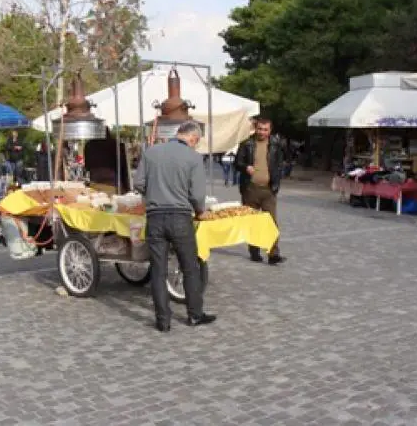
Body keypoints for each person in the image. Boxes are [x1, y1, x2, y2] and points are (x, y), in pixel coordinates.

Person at [134, 121, 216, 332]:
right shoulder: (193, 158)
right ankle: (195, 315)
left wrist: (153, 193)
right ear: (193, 138)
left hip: (155, 218)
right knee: (190, 268)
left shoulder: (150, 153)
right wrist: (200, 210)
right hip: (180, 218)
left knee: (158, 271)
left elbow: (138, 184)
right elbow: (197, 195)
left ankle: (163, 320)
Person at [235, 116, 286, 265]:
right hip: (250, 189)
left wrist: (277, 179)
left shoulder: (276, 145)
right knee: (253, 222)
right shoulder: (247, 144)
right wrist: (245, 167)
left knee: (271, 222)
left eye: (265, 129)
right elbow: (237, 162)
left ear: (270, 131)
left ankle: (273, 253)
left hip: (269, 190)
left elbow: (281, 163)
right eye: (260, 129)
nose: (262, 132)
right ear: (255, 129)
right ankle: (254, 251)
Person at [84, 127, 130, 193]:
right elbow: (123, 167)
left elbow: (87, 166)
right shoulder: (117, 145)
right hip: (113, 182)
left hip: (95, 182)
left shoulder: (88, 145)